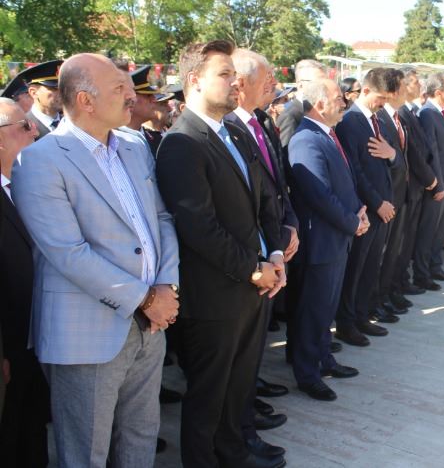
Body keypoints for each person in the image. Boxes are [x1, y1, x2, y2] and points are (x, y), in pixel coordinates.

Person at [12, 53, 180, 468]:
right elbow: (67, 252)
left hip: (151, 324)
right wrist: (146, 298)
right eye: (119, 88)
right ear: (86, 100)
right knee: (86, 452)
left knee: (141, 435)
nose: (131, 97)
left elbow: (161, 218)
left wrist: (166, 285)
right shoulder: (39, 160)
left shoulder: (134, 147)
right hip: (86, 334)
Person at [155, 40, 286, 468]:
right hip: (214, 293)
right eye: (225, 74)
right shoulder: (181, 143)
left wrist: (275, 253)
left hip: (252, 283)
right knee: (209, 395)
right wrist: (253, 269)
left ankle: (233, 453)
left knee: (238, 385)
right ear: (194, 80)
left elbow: (263, 199)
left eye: (235, 74)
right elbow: (199, 227)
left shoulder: (233, 132)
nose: (236, 82)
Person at [228, 49, 301, 457]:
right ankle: (242, 423)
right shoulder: (228, 128)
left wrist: (288, 227)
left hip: (272, 244)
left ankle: (249, 402)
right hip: (248, 257)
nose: (274, 82)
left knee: (253, 345)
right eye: (267, 76)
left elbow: (278, 183)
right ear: (240, 83)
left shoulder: (260, 123)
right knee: (237, 356)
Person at [288, 78, 368, 402]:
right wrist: (353, 222)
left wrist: (358, 212)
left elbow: (345, 183)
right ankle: (308, 374)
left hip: (337, 238)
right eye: (338, 98)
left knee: (326, 309)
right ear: (320, 104)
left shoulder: (327, 135)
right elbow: (319, 195)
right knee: (313, 312)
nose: (344, 103)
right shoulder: (306, 140)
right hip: (321, 242)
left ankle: (325, 360)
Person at [0, 98, 49, 467]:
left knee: (32, 432)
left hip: (33, 340)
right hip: (9, 346)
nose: (34, 132)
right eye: (24, 126)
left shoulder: (19, 185)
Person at [333, 68, 398, 342]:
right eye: (380, 97)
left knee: (370, 267)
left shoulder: (376, 120)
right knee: (355, 269)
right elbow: (355, 171)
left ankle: (362, 315)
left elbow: (389, 159)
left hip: (382, 207)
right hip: (365, 209)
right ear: (366, 90)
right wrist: (377, 202)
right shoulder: (350, 122)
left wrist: (392, 155)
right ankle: (346, 323)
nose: (383, 103)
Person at [395, 68, 441, 293]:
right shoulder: (402, 113)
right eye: (414, 82)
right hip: (411, 185)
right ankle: (398, 283)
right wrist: (430, 179)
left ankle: (403, 281)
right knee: (402, 241)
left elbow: (423, 148)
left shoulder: (411, 111)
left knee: (409, 239)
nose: (419, 85)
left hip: (418, 185)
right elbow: (413, 151)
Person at [413, 72, 444, 289]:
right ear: (439, 92)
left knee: (440, 230)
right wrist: (438, 183)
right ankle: (422, 274)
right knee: (428, 231)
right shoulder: (428, 114)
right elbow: (431, 152)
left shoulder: (441, 113)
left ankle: (435, 266)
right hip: (438, 185)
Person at [375, 69, 415, 313]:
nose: (406, 91)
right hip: (386, 198)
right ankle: (378, 298)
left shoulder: (398, 118)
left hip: (401, 194)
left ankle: (388, 292)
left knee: (394, 251)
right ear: (392, 92)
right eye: (402, 86)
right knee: (383, 253)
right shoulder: (380, 119)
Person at [19, 60, 63, 140]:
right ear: (34, 93)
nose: (61, 93)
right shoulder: (23, 128)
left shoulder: (71, 124)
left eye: (63, 88)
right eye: (54, 88)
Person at [126, 65, 163, 157]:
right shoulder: (112, 140)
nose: (154, 99)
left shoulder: (157, 139)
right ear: (130, 98)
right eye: (148, 96)